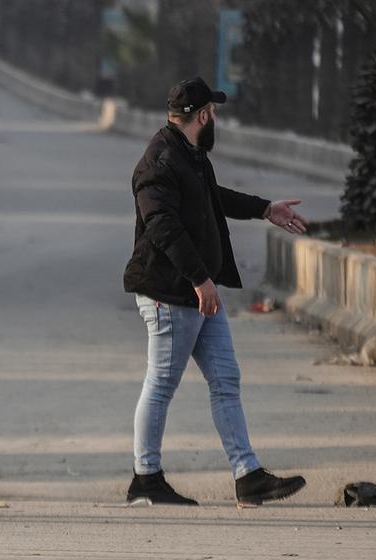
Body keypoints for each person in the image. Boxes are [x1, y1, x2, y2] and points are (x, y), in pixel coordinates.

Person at [123, 77, 309, 507]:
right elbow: (162, 227)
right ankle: (146, 478)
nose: (216, 121)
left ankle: (248, 475)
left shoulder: (190, 155)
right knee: (161, 383)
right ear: (203, 116)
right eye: (214, 113)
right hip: (171, 294)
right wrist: (199, 279)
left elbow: (212, 198)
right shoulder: (159, 162)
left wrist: (265, 209)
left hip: (197, 292)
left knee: (225, 379)